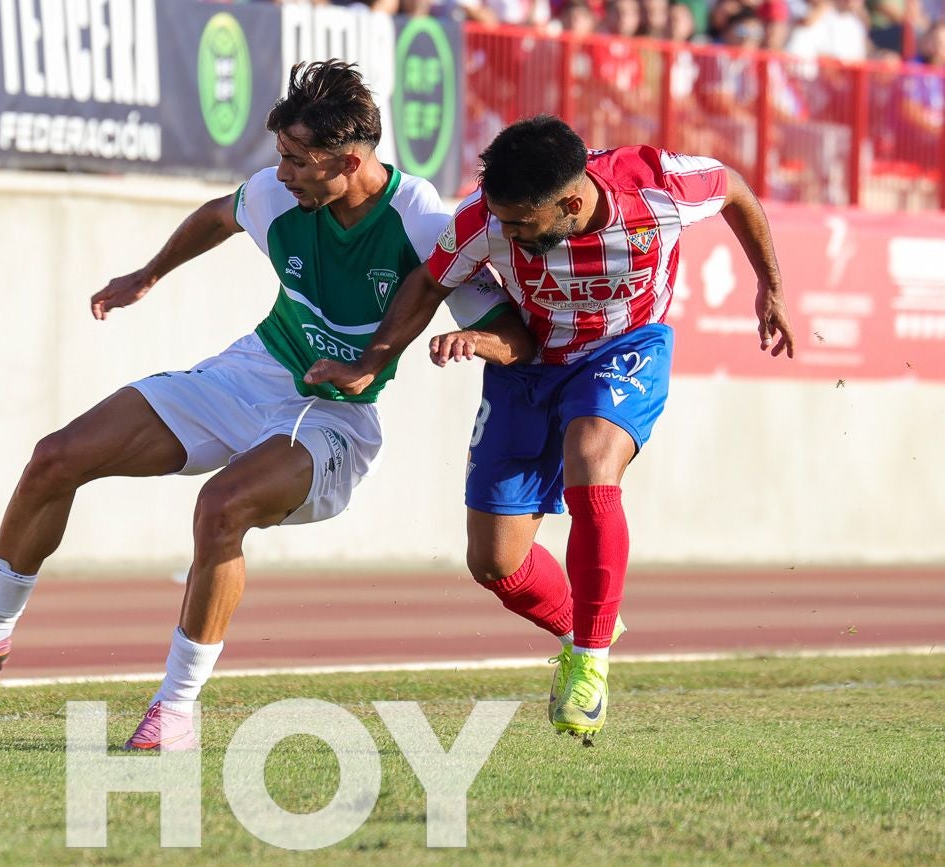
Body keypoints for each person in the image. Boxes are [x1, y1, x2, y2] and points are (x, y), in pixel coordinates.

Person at [0, 61, 523, 750]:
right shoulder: (277, 194)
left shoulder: (423, 224)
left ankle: (175, 709)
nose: (282, 173)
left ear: (350, 161)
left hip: (333, 416)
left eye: (297, 160)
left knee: (222, 507)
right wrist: (148, 274)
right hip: (248, 373)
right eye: (280, 155)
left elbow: (512, 329)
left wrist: (477, 340)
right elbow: (219, 215)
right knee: (56, 457)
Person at [306, 115, 795, 744]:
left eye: (520, 225)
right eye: (501, 220)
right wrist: (370, 362)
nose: (505, 234)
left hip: (625, 349)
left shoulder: (657, 187)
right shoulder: (484, 218)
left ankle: (590, 660)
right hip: (529, 365)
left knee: (592, 459)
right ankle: (585, 626)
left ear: (569, 203)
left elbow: (734, 190)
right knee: (495, 563)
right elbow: (429, 281)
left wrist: (770, 286)